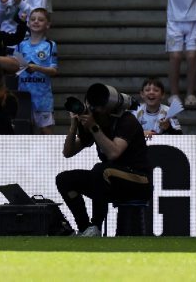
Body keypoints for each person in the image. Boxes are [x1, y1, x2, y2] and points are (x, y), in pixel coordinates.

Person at [56, 86, 153, 237]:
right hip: (108, 180)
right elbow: (68, 152)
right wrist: (73, 126)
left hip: (139, 180)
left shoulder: (127, 120)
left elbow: (114, 153)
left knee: (101, 170)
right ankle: (84, 228)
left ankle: (96, 225)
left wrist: (94, 127)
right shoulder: (95, 123)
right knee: (64, 179)